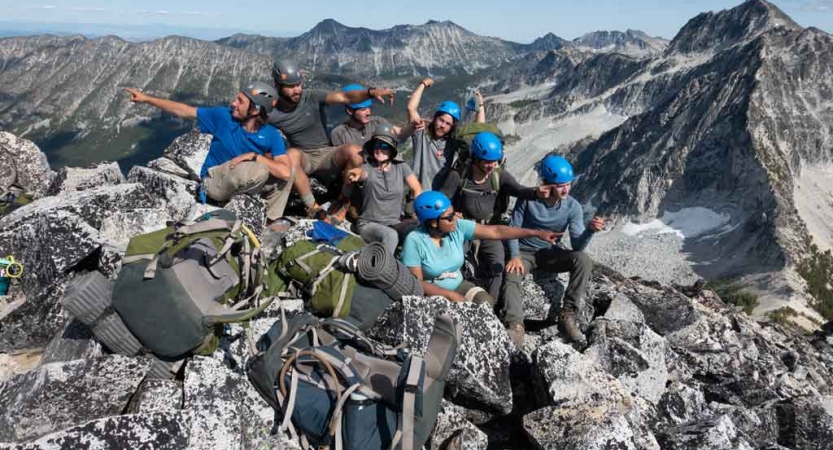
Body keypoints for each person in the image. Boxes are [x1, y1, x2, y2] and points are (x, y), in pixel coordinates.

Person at [400, 191, 560, 346]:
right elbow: (417, 282)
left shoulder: (458, 227)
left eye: (453, 213)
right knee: (458, 320)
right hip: (432, 293)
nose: (455, 218)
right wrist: (450, 295)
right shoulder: (414, 241)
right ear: (433, 222)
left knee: (485, 304)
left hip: (457, 284)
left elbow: (495, 231)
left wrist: (534, 233)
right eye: (448, 217)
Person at [124, 82, 300, 221]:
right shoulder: (223, 116)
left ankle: (268, 223)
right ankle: (231, 208)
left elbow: (285, 172)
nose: (233, 103)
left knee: (285, 172)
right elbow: (183, 111)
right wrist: (146, 98)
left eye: (240, 101)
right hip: (214, 181)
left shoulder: (270, 135)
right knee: (259, 169)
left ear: (255, 110)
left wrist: (254, 156)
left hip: (246, 178)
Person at [267, 60, 394, 216]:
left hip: (326, 152)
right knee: (291, 154)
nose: (297, 90)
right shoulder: (271, 112)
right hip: (304, 157)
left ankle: (343, 200)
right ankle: (312, 207)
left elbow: (344, 97)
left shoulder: (311, 97)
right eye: (291, 86)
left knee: (355, 151)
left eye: (299, 84)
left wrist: (371, 93)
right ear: (277, 85)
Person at [501, 155, 605, 345]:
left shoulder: (572, 207)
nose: (565, 189)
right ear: (547, 184)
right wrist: (514, 256)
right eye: (560, 185)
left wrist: (589, 230)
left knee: (583, 260)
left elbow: (577, 246)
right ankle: (515, 325)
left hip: (549, 253)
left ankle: (567, 315)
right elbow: (512, 228)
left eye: (568, 184)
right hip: (524, 252)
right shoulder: (529, 200)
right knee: (511, 275)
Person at [440, 132, 549, 301]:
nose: (492, 165)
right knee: (453, 263)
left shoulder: (499, 175)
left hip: (490, 230)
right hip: (464, 228)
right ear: (475, 158)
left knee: (498, 267)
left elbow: (518, 190)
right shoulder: (458, 175)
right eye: (488, 161)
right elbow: (442, 201)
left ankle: (489, 307)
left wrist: (536, 193)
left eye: (496, 161)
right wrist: (452, 214)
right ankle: (458, 300)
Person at [344, 123, 422, 254]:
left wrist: (419, 212)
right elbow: (362, 173)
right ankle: (381, 271)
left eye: (384, 146)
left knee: (419, 229)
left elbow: (417, 188)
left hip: (394, 222)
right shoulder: (368, 168)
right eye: (376, 145)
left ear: (392, 149)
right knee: (390, 236)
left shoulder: (401, 167)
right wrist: (356, 174)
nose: (379, 150)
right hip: (368, 224)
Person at [402, 78, 461, 191]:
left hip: (441, 198)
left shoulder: (452, 142)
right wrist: (423, 84)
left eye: (448, 123)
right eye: (441, 120)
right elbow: (411, 108)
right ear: (435, 119)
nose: (443, 125)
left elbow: (476, 133)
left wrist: (481, 106)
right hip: (418, 193)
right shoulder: (422, 133)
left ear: (452, 127)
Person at [330, 84, 401, 147]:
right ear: (350, 111)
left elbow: (399, 132)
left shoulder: (377, 122)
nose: (368, 113)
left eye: (369, 108)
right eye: (363, 109)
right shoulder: (339, 134)